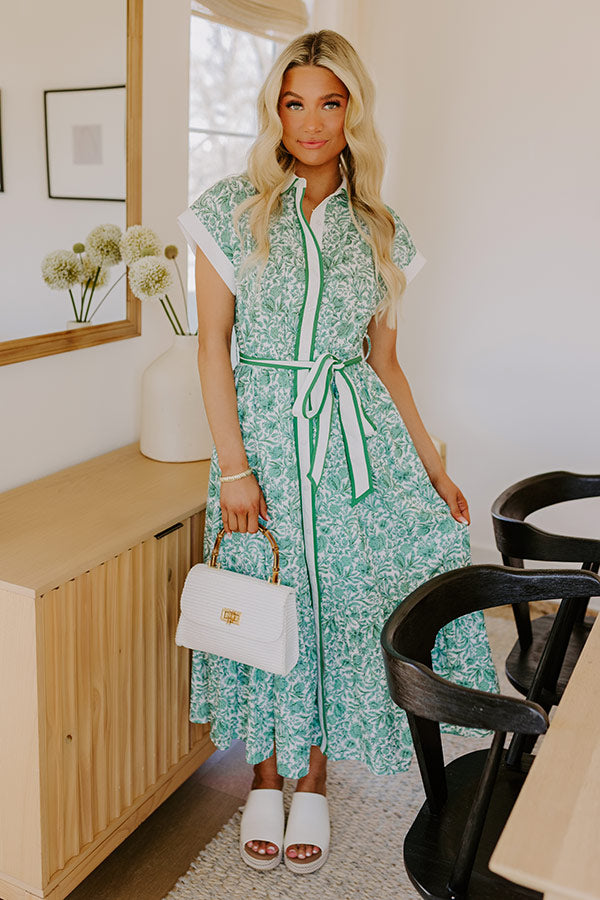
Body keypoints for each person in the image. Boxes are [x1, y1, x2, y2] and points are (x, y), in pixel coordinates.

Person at [177, 29, 498, 875]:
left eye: (329, 102)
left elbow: (384, 361)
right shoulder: (228, 210)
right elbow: (211, 347)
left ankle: (314, 776)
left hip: (353, 448)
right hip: (262, 442)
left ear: (353, 110)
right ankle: (264, 774)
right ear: (274, 111)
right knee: (266, 600)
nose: (311, 122)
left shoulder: (381, 228)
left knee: (337, 609)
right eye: (294, 103)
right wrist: (234, 467)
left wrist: (432, 466)